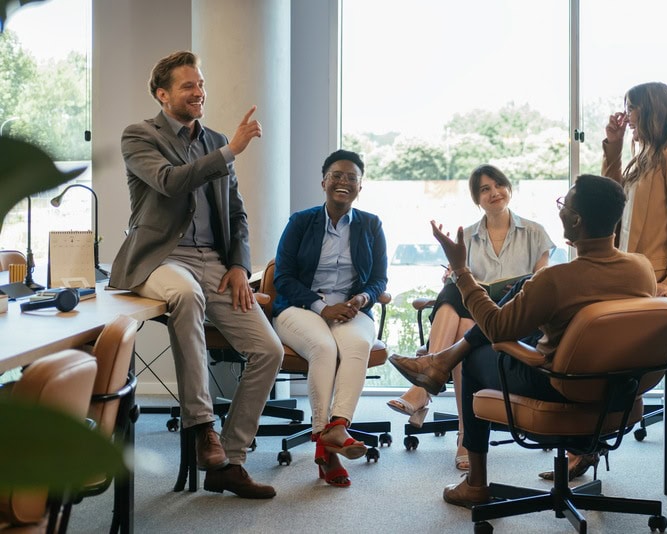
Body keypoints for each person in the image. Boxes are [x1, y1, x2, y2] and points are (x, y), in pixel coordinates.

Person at [388, 174, 657, 508]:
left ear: (576, 219)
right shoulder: (642, 268)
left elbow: (498, 327)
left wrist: (461, 271)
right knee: (523, 287)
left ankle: (475, 481)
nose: (561, 211)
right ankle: (442, 360)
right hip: (619, 391)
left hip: (559, 385)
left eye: (565, 205)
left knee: (475, 358)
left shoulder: (558, 280)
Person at [110, 51, 283, 499]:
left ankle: (231, 459)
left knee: (269, 349)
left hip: (216, 263)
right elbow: (170, 181)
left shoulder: (216, 140)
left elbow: (236, 213)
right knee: (185, 295)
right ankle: (203, 424)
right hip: (161, 259)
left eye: (201, 84)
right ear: (162, 94)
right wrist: (231, 152)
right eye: (188, 86)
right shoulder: (138, 136)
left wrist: (241, 267)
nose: (199, 92)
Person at [387, 164, 553, 471]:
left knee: (466, 319)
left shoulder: (535, 231)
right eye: (485, 189)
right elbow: (464, 283)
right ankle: (461, 432)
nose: (494, 193)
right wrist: (455, 274)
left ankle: (427, 386)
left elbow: (540, 285)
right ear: (476, 199)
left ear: (509, 188)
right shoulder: (468, 235)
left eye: (498, 185)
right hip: (477, 314)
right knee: (455, 297)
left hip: (512, 313)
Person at [271, 150, 387, 488]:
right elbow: (284, 278)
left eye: (352, 178)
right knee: (323, 348)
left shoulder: (371, 224)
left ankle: (336, 428)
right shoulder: (301, 221)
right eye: (337, 175)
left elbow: (379, 279)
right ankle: (328, 438)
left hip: (352, 308)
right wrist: (322, 307)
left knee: (357, 345)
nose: (344, 182)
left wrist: (361, 298)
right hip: (301, 306)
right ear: (324, 182)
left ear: (360, 187)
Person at [602, 81, 667, 297]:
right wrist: (614, 145)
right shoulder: (646, 159)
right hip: (632, 276)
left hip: (658, 282)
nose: (625, 117)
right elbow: (611, 199)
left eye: (630, 109)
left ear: (650, 110)